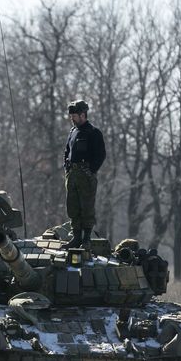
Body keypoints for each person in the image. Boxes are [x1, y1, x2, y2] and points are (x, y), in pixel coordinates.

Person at [63, 99, 106, 250]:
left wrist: (91, 170)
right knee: (73, 207)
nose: (72, 119)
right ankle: (76, 237)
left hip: (85, 174)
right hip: (72, 175)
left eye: (74, 116)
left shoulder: (93, 133)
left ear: (82, 115)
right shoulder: (73, 132)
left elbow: (100, 154)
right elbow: (67, 151)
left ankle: (86, 239)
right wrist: (67, 169)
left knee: (86, 207)